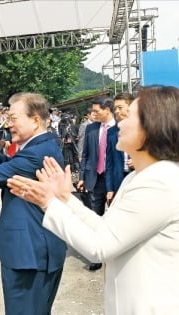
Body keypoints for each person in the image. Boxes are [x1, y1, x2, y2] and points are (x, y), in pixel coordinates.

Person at [7, 85, 179, 315]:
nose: (120, 123)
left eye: (129, 117)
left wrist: (49, 203)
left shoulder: (160, 182)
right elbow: (106, 229)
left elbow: (100, 246)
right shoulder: (140, 178)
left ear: (154, 127)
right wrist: (66, 199)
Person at [0, 92, 66, 315]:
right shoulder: (41, 146)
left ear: (35, 120)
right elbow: (11, 166)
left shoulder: (36, 153)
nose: (8, 124)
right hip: (34, 250)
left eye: (13, 118)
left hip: (28, 254)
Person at [77, 97, 119, 271]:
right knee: (95, 216)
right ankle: (97, 255)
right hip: (95, 177)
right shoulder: (91, 128)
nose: (93, 114)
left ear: (107, 109)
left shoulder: (120, 128)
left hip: (116, 178)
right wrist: (82, 176)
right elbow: (85, 154)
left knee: (116, 216)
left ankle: (115, 252)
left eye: (96, 111)